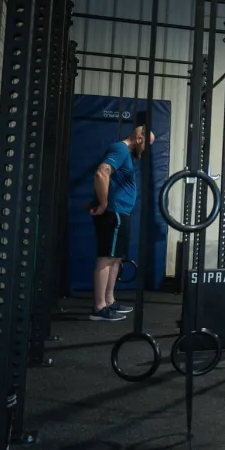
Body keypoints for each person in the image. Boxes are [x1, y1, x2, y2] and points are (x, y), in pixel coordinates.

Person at [87, 126, 152, 322]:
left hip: (121, 213)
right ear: (139, 138)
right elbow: (101, 173)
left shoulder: (124, 154)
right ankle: (99, 308)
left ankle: (109, 301)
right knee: (106, 258)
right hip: (114, 212)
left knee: (115, 259)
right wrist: (104, 203)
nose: (146, 149)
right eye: (147, 143)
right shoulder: (120, 149)